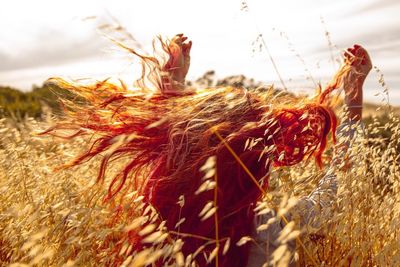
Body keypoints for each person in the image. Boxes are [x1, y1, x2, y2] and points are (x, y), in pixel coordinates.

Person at [44, 34, 372, 266]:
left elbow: (191, 141)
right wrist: (353, 104)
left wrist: (172, 85)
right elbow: (332, 192)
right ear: (256, 162)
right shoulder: (266, 231)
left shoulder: (157, 221)